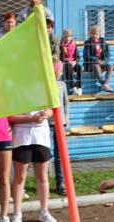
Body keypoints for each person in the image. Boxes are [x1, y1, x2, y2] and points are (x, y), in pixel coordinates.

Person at [9, 109, 58, 222]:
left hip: (41, 136)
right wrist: (31, 118)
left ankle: (44, 211)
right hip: (22, 137)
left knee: (42, 176)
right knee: (20, 177)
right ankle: (16, 213)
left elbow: (52, 109)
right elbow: (10, 116)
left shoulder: (43, 91)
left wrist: (47, 113)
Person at [50, 60, 70, 196]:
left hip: (60, 123)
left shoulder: (62, 85)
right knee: (45, 155)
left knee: (59, 155)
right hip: (47, 123)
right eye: (57, 71)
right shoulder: (46, 85)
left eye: (60, 72)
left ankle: (60, 182)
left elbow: (66, 102)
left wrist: (66, 117)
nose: (59, 74)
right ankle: (44, 181)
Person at [83, 26, 114, 92]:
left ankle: (105, 83)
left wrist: (103, 61)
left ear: (99, 34)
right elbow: (87, 56)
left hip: (102, 63)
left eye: (96, 34)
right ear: (90, 34)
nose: (94, 35)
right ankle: (102, 82)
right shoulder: (87, 43)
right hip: (91, 64)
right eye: (93, 34)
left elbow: (107, 55)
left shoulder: (104, 43)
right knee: (96, 66)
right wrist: (96, 60)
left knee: (111, 66)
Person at [60, 28, 82, 95]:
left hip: (73, 62)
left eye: (69, 37)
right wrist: (68, 61)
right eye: (66, 37)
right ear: (63, 37)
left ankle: (79, 87)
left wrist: (75, 62)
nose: (68, 38)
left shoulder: (74, 45)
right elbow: (60, 56)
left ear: (71, 37)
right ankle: (73, 87)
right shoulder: (61, 45)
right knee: (68, 67)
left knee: (79, 67)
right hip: (66, 63)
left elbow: (77, 56)